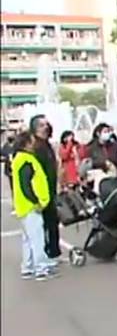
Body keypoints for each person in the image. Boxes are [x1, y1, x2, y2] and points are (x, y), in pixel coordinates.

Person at [12, 132, 58, 281]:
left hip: (23, 206)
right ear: (26, 144)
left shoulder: (19, 159)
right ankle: (41, 268)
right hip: (31, 207)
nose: (34, 144)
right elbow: (26, 185)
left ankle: (28, 266)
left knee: (28, 239)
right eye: (32, 141)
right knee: (37, 238)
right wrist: (36, 202)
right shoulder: (26, 160)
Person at [29, 115, 60, 260]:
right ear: (35, 128)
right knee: (43, 226)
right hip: (41, 192)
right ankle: (44, 255)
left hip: (50, 191)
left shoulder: (47, 145)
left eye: (46, 124)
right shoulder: (35, 147)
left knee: (53, 223)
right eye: (42, 125)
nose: (46, 127)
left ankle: (53, 252)